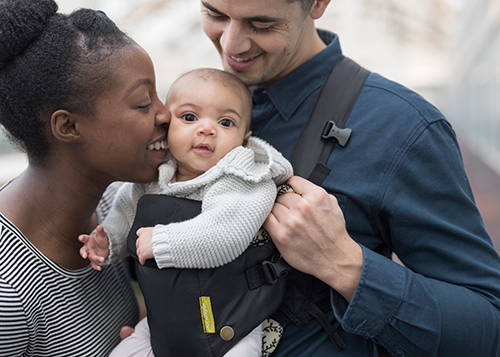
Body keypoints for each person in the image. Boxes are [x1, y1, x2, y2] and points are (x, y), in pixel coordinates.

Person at [198, 0, 500, 356]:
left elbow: (488, 327)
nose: (231, 44)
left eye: (262, 24)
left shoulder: (402, 127)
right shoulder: (195, 106)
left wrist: (344, 265)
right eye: (214, 14)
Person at [79, 68, 293, 357]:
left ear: (244, 138)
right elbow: (126, 209)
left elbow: (225, 235)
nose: (207, 129)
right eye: (189, 117)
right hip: (168, 316)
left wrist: (164, 241)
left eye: (226, 122)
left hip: (232, 319)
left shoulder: (240, 178)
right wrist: (110, 241)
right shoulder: (156, 175)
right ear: (168, 125)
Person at [0, 0, 171, 355]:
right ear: (68, 126)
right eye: (143, 103)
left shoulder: (118, 205)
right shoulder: (9, 295)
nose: (165, 114)